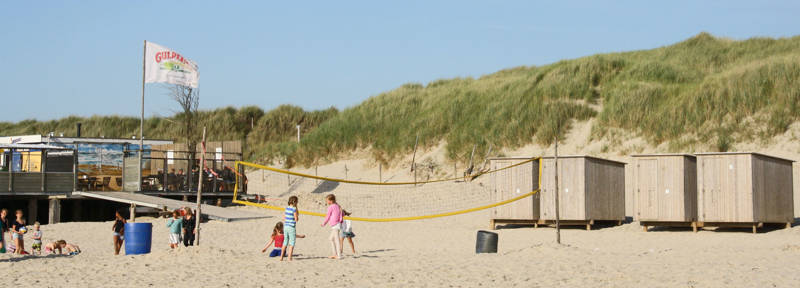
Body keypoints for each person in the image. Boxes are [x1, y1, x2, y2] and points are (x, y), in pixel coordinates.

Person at [321, 194, 343, 259]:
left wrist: (324, 223)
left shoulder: (331, 207)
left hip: (336, 224)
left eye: (327, 200)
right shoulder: (338, 206)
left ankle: (339, 255)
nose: (326, 202)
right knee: (331, 239)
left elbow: (328, 216)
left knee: (336, 240)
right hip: (337, 224)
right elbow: (342, 214)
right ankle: (334, 254)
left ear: (331, 200)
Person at [280, 196, 299, 261]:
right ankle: (289, 257)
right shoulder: (294, 209)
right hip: (291, 227)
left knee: (285, 242)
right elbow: (296, 219)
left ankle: (281, 257)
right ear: (295, 202)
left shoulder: (287, 208)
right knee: (292, 243)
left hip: (286, 226)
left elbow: (283, 218)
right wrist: (296, 216)